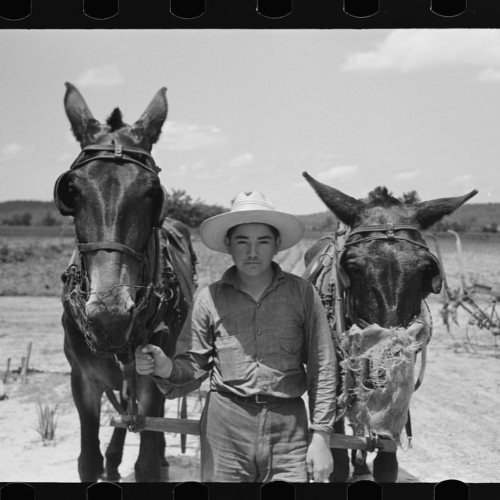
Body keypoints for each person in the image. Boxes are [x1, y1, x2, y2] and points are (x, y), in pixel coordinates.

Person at [135, 191, 337, 482]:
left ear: (277, 244)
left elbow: (323, 365)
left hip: (289, 428)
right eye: (242, 241)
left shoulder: (302, 294)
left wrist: (321, 437)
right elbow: (193, 364)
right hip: (225, 428)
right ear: (228, 244)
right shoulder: (209, 298)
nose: (252, 251)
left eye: (262, 241)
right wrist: (164, 366)